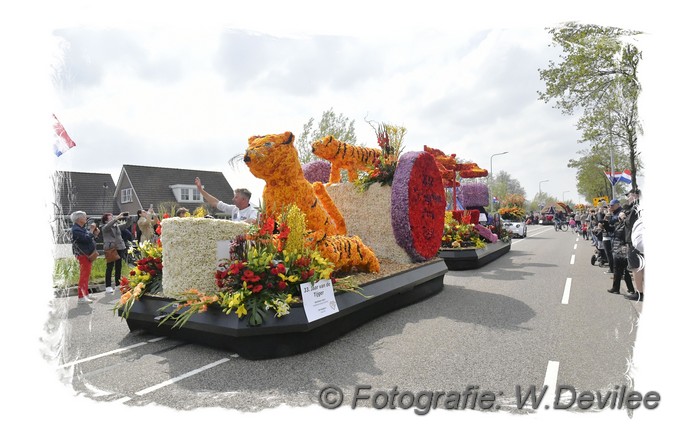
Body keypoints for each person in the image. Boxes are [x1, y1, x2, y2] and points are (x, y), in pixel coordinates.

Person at [70, 211, 100, 304]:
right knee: (84, 275)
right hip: (83, 254)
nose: (86, 218)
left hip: (87, 254)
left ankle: (85, 294)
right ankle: (81, 296)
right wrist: (91, 230)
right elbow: (86, 239)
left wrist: (95, 234)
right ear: (79, 219)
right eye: (84, 216)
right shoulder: (76, 230)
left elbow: (90, 239)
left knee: (86, 275)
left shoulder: (81, 228)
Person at [100, 212, 134, 294]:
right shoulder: (104, 227)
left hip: (120, 247)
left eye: (112, 217)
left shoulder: (116, 226)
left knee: (118, 266)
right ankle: (108, 286)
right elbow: (108, 226)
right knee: (110, 267)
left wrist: (129, 218)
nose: (112, 218)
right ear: (105, 220)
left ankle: (118, 284)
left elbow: (126, 225)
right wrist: (116, 219)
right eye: (110, 217)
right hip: (111, 248)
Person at [607, 211, 636, 296]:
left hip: (623, 248)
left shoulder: (627, 225)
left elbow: (625, 233)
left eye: (621, 217)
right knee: (618, 269)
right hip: (617, 248)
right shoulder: (618, 225)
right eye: (620, 217)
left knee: (625, 270)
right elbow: (610, 229)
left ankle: (630, 289)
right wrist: (605, 220)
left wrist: (624, 219)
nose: (620, 218)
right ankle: (616, 288)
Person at [622, 189, 644, 302]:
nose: (627, 198)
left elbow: (630, 223)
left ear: (635, 195)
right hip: (640, 241)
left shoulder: (637, 207)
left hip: (635, 242)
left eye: (629, 195)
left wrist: (623, 217)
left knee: (636, 267)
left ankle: (639, 293)